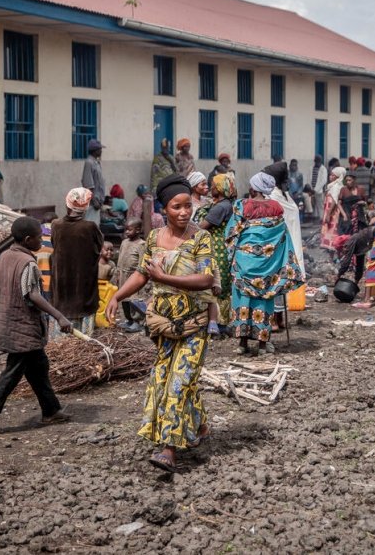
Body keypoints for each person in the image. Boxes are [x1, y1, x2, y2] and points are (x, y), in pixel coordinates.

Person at [104, 174, 215, 473]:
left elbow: (206, 278)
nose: (183, 212)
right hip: (163, 325)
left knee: (177, 383)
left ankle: (168, 448)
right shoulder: (154, 238)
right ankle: (200, 426)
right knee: (165, 379)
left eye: (187, 206)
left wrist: (165, 278)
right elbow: (142, 273)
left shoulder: (200, 238)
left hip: (194, 324)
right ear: (164, 209)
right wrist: (118, 295)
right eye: (176, 207)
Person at [0, 216, 73, 433]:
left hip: (7, 321)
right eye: (39, 238)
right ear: (28, 240)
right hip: (22, 326)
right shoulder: (28, 263)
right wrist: (59, 316)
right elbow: (33, 295)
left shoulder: (4, 256)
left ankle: (51, 410)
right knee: (12, 373)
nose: (42, 241)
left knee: (39, 367)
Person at [226, 172, 303, 356]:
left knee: (243, 300)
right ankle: (262, 345)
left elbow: (231, 233)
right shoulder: (276, 207)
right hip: (268, 264)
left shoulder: (242, 206)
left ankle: (242, 343)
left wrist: (233, 254)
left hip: (245, 262)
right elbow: (282, 234)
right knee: (264, 300)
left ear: (252, 189)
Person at [50, 187, 104, 335]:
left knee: (60, 342)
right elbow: (99, 248)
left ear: (67, 205)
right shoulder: (90, 227)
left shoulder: (56, 225)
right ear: (86, 208)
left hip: (62, 286)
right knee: (83, 342)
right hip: (84, 288)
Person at [265, 161, 305, 333]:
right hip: (288, 244)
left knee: (273, 283)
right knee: (280, 283)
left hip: (278, 244)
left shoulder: (273, 196)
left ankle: (274, 320)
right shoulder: (284, 194)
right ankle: (279, 320)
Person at [200, 173, 237, 327]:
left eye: (214, 185)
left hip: (218, 248)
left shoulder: (221, 207)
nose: (211, 188)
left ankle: (219, 322)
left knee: (218, 283)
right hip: (224, 248)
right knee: (224, 284)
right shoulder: (228, 204)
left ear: (220, 189)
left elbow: (201, 227)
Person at [320, 167, 346, 254]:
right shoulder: (333, 185)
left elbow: (335, 201)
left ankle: (333, 253)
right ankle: (332, 254)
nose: (330, 177)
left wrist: (328, 214)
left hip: (332, 213)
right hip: (330, 212)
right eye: (330, 175)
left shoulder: (336, 186)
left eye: (333, 175)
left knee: (331, 232)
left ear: (338, 177)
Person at [81, 139, 106, 224]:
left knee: (95, 226)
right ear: (95, 151)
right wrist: (94, 200)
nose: (101, 151)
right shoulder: (89, 163)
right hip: (92, 203)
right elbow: (88, 184)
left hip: (97, 201)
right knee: (90, 225)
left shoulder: (96, 162)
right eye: (100, 149)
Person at [115, 218, 145, 287]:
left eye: (129, 230)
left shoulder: (141, 244)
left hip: (132, 276)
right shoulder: (124, 242)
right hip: (122, 275)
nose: (126, 232)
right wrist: (117, 273)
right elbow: (119, 260)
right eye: (126, 229)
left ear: (137, 230)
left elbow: (141, 265)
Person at [95, 241, 118, 328]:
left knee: (107, 304)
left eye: (111, 250)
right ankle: (96, 321)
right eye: (107, 250)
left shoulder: (112, 264)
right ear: (100, 250)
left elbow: (112, 278)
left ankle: (107, 320)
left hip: (107, 287)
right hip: (96, 287)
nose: (109, 252)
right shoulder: (96, 262)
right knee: (98, 305)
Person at [310, 155, 328, 219]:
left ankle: (321, 218)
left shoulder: (323, 169)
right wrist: (310, 189)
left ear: (321, 161)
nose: (317, 163)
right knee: (313, 204)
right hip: (311, 189)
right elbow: (309, 178)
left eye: (318, 161)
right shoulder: (312, 168)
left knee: (320, 205)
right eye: (316, 161)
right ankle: (315, 217)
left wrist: (316, 189)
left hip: (319, 190)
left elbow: (323, 181)